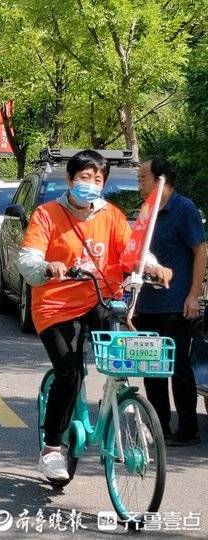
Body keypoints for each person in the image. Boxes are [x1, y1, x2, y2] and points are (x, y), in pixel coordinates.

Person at [16, 150, 171, 481]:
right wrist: (47, 266)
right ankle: (52, 449)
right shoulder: (47, 215)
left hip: (101, 299)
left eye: (98, 180)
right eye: (85, 178)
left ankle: (126, 416)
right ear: (70, 180)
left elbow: (134, 251)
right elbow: (27, 261)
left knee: (127, 355)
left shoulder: (111, 216)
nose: (91, 185)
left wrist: (153, 267)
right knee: (69, 373)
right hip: (55, 305)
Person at [134, 157, 206, 447]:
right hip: (147, 305)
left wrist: (193, 295)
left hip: (176, 304)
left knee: (178, 369)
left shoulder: (183, 209)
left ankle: (188, 429)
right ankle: (160, 426)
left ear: (161, 180)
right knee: (152, 369)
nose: (139, 184)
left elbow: (201, 252)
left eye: (143, 178)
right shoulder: (146, 211)